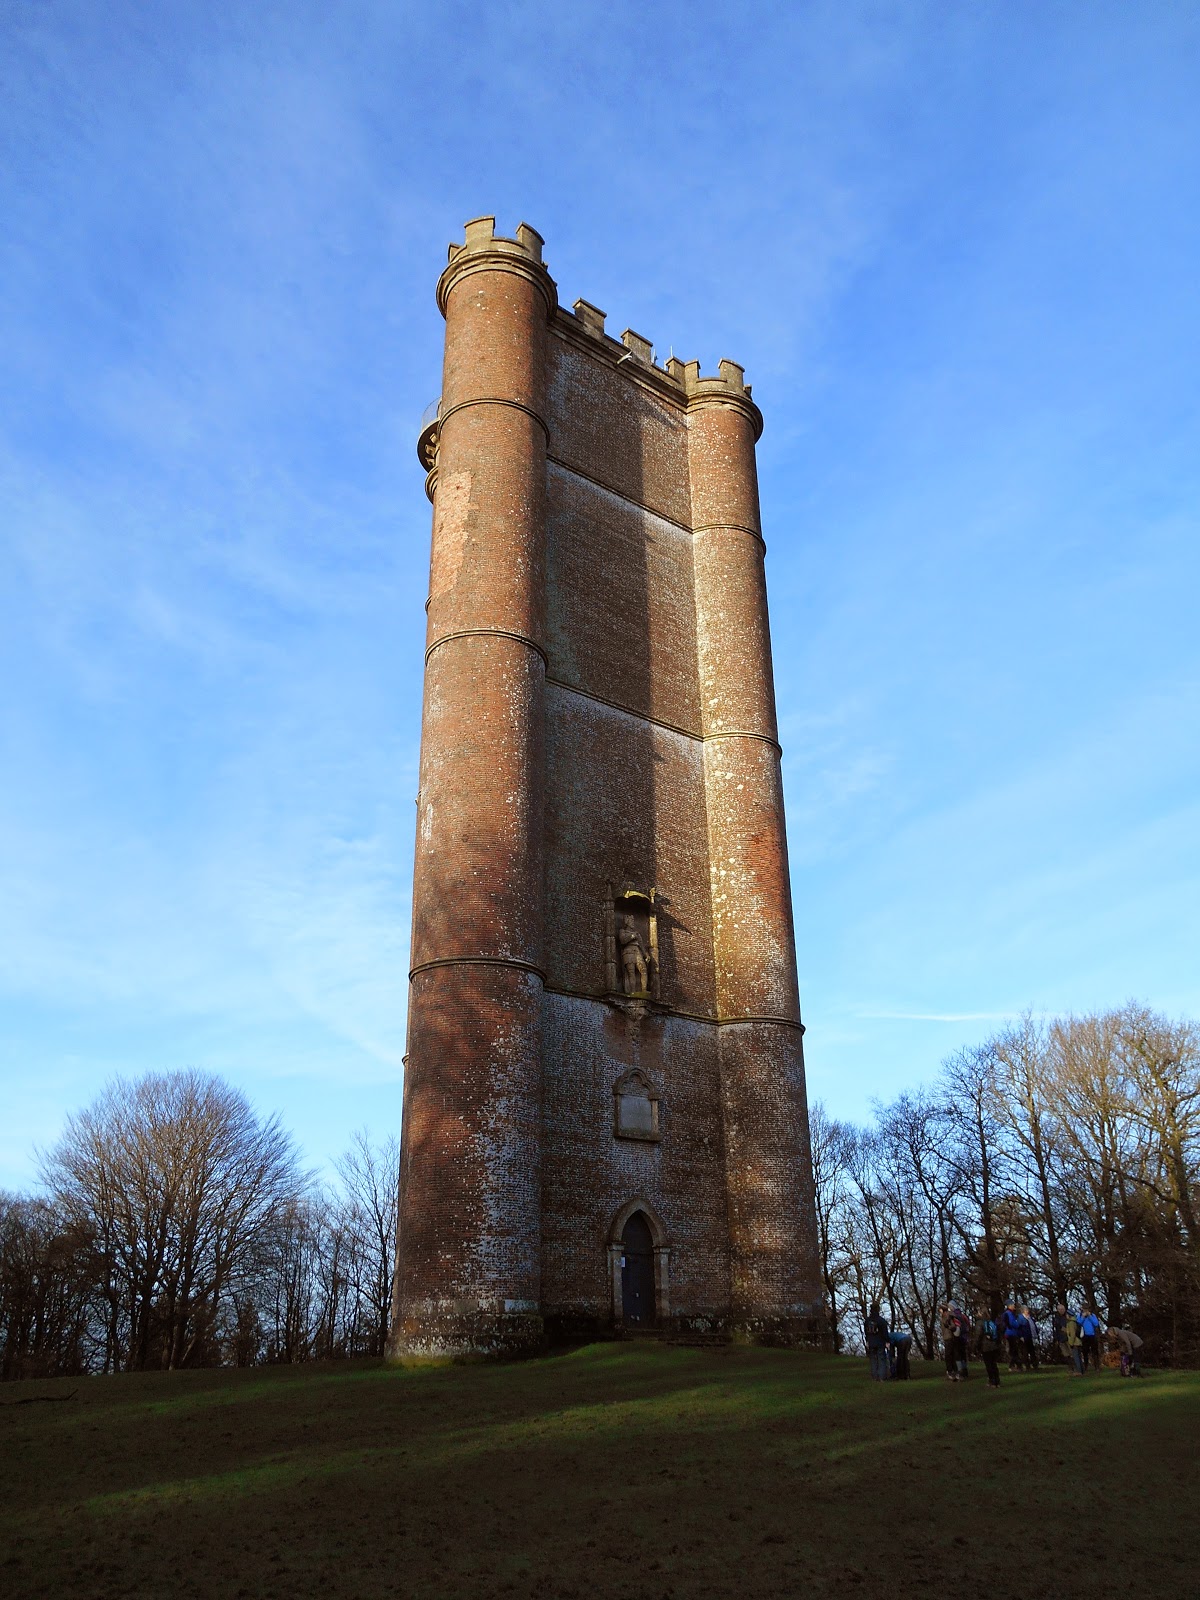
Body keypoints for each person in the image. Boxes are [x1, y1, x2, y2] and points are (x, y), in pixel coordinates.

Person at [972, 1304, 1002, 1388]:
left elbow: (978, 1335)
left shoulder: (979, 1322)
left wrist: (975, 1347)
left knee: (988, 1364)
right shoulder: (990, 1321)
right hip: (994, 1345)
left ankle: (991, 1381)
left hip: (985, 1346)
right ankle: (997, 1381)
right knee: (994, 1364)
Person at [865, 1303, 890, 1381]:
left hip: (871, 1342)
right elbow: (885, 1333)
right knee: (881, 1359)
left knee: (873, 1360)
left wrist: (867, 1341)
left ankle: (874, 1377)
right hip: (880, 1342)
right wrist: (887, 1341)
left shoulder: (867, 1321)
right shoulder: (881, 1321)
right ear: (878, 1309)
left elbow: (866, 1332)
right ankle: (882, 1377)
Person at [939, 1302, 961, 1381]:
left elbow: (952, 1326)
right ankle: (954, 1372)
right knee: (951, 1355)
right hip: (948, 1337)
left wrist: (947, 1325)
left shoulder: (947, 1316)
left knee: (949, 1356)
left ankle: (951, 1372)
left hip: (949, 1337)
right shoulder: (947, 1316)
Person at [1078, 1306, 1103, 1373]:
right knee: (1085, 1352)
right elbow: (1078, 1323)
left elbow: (1096, 1323)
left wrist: (1089, 1316)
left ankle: (1097, 1366)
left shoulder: (1092, 1315)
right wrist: (1083, 1317)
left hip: (1092, 1335)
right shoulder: (1080, 1315)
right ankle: (1086, 1366)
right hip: (1084, 1336)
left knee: (1095, 1351)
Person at [1001, 1303, 1025, 1370]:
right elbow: (1013, 1323)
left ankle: (1014, 1365)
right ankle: (1017, 1366)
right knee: (1014, 1350)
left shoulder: (1007, 1313)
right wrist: (1018, 1323)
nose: (1014, 1306)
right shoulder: (1009, 1313)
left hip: (1009, 1333)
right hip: (1011, 1333)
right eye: (1013, 1305)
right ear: (1009, 1306)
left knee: (1013, 1350)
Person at [1063, 1308, 1084, 1376]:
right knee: (1078, 1357)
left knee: (1076, 1357)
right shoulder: (1075, 1322)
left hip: (1075, 1343)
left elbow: (1072, 1334)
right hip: (1078, 1342)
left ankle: (1079, 1371)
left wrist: (1071, 1343)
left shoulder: (1071, 1323)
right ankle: (1081, 1370)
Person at [1019, 1304, 1039, 1370]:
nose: (1027, 1311)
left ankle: (1035, 1365)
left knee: (1032, 1351)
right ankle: (1027, 1366)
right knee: (1025, 1352)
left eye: (1027, 1310)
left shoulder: (1030, 1318)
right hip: (1024, 1337)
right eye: (1026, 1310)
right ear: (1023, 1311)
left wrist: (1036, 1333)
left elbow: (1034, 1326)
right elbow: (1019, 1328)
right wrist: (1021, 1336)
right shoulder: (1020, 1318)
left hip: (1031, 1337)